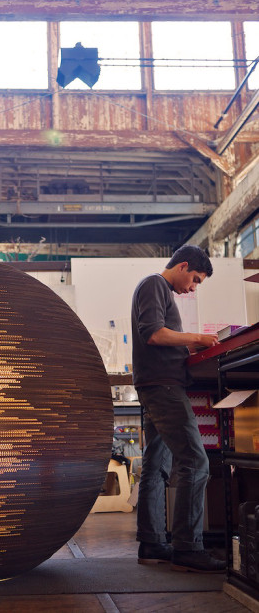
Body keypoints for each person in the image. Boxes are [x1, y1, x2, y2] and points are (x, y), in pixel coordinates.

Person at [131, 245, 226, 573]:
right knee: (196, 462)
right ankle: (188, 547)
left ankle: (152, 543)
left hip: (156, 384)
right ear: (183, 266)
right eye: (195, 279)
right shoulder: (154, 284)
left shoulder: (158, 289)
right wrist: (197, 338)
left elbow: (160, 336)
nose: (193, 287)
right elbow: (154, 334)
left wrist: (189, 346)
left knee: (157, 465)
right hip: (164, 387)